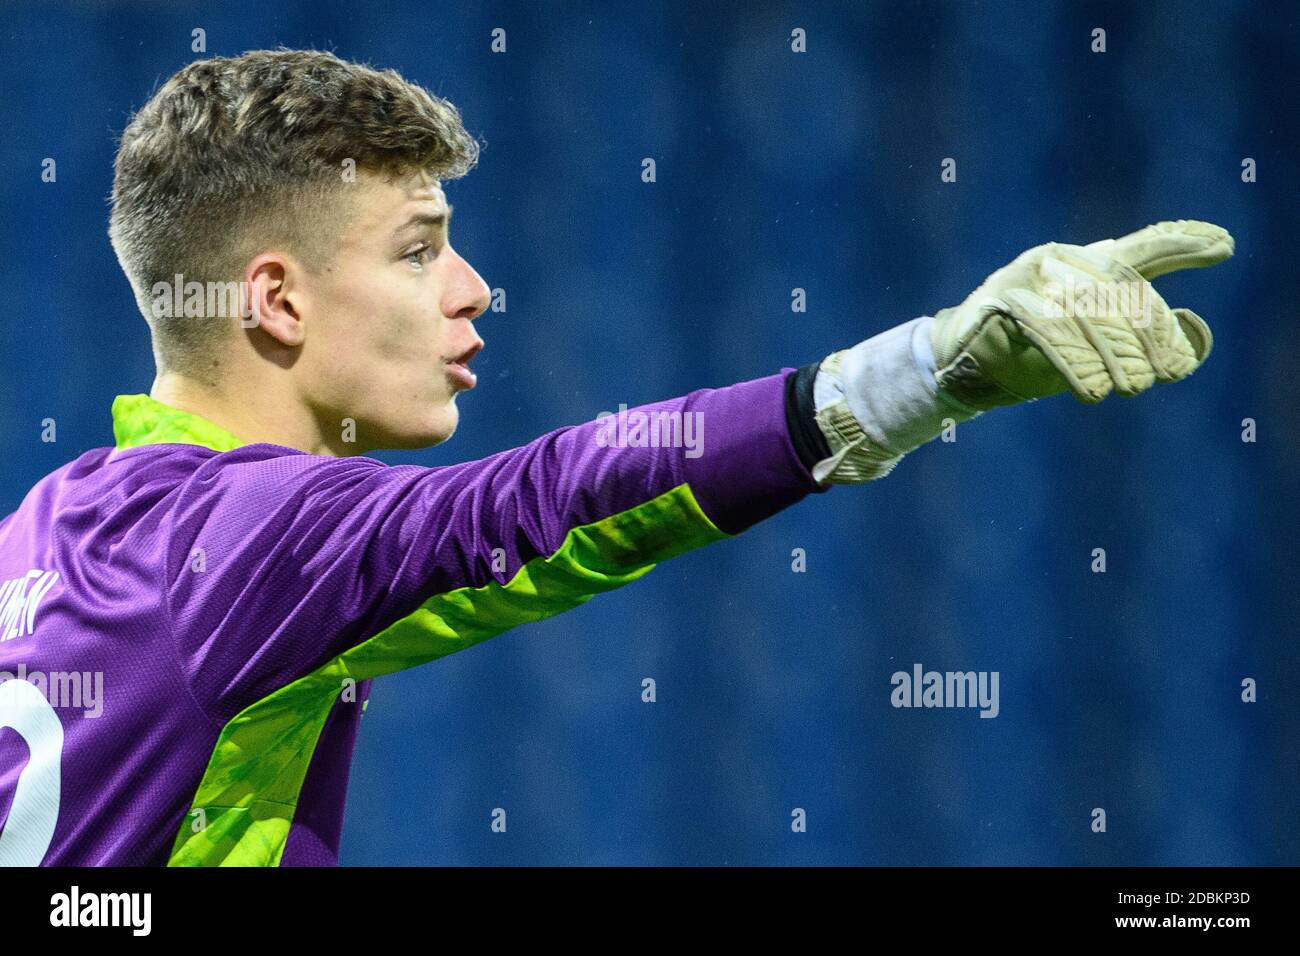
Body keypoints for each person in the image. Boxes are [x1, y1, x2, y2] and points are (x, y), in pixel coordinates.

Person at [0, 49, 1233, 866]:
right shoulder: (256, 535)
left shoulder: (47, 524)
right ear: (275, 299)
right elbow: (550, 502)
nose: (475, 291)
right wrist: (927, 369)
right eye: (419, 249)